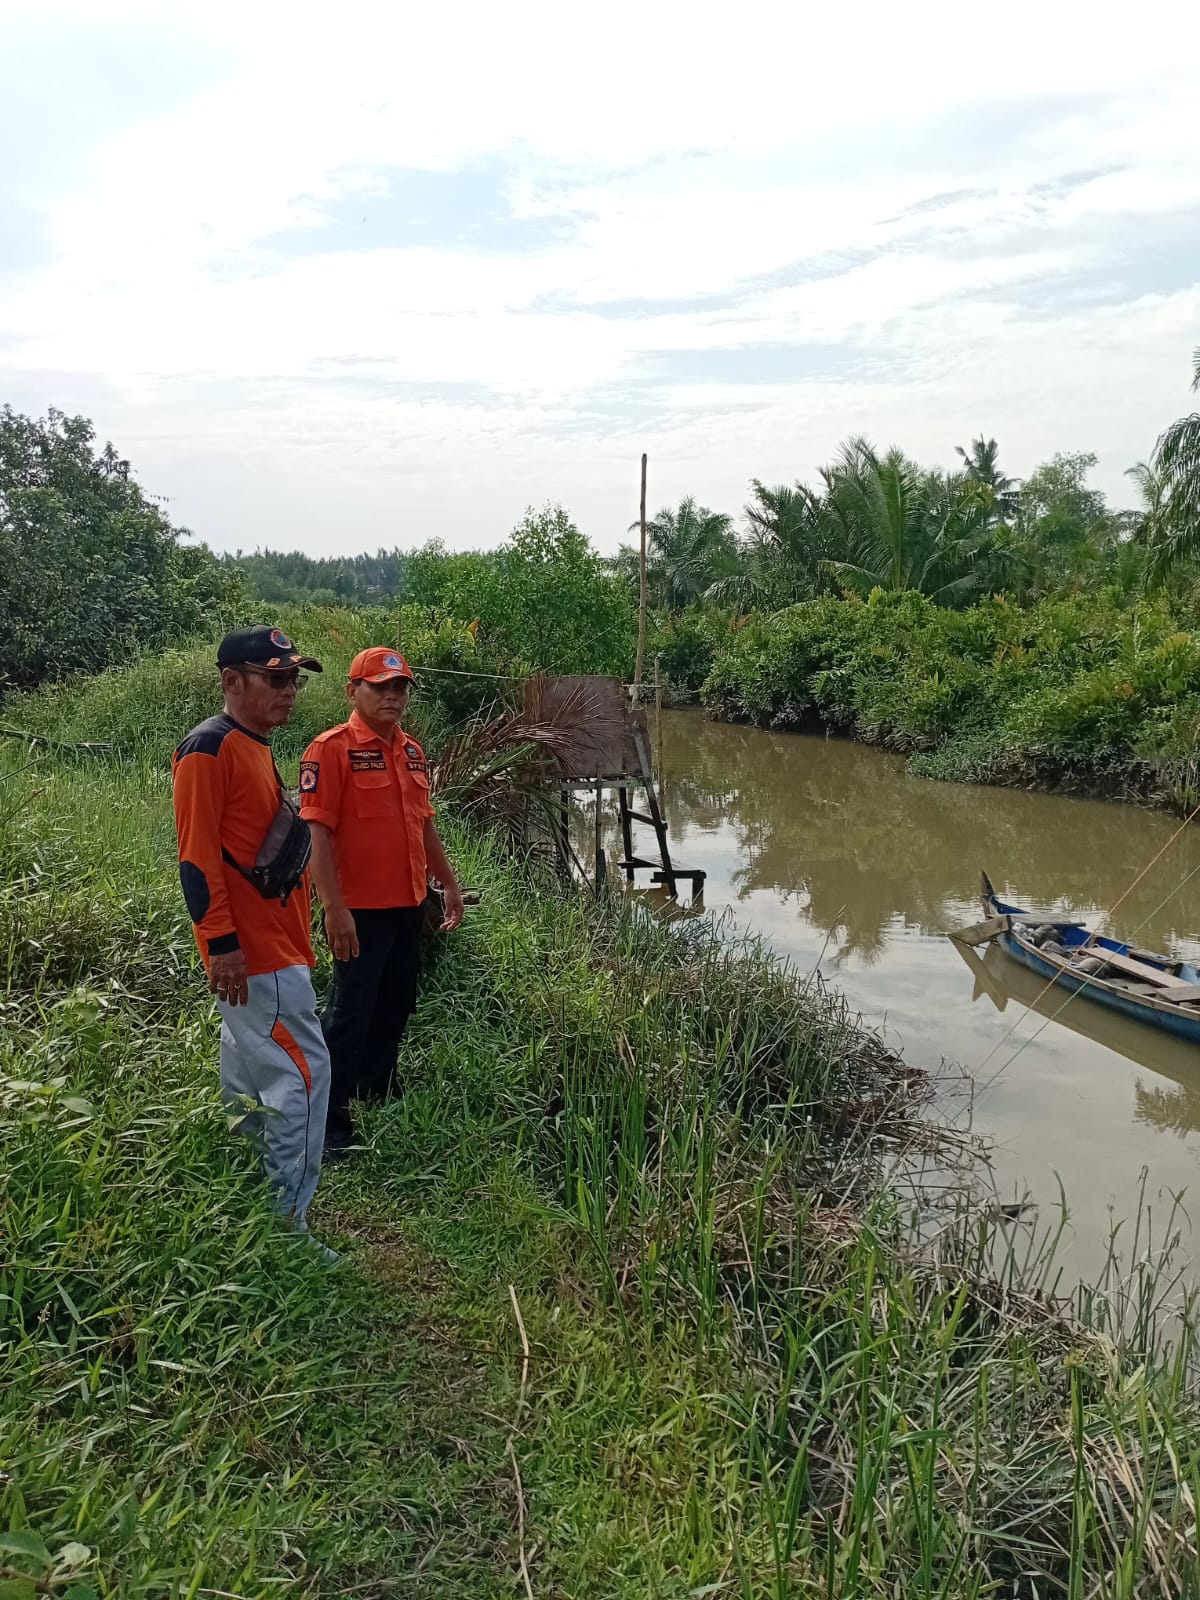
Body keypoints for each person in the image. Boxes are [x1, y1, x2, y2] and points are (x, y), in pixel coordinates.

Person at [172, 624, 334, 1248]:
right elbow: (196, 859)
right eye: (276, 678)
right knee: (303, 1076)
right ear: (232, 681)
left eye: (294, 678)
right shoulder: (208, 749)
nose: (289, 691)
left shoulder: (253, 742)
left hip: (272, 945)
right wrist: (221, 945)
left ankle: (248, 1196)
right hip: (255, 955)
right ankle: (287, 1226)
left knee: (249, 1074)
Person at [299, 646, 464, 1156]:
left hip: (408, 903)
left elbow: (424, 823)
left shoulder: (411, 750)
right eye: (380, 687)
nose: (392, 697)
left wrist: (448, 883)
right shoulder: (330, 750)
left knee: (397, 1001)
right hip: (358, 910)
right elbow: (317, 836)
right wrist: (333, 908)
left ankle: (377, 1083)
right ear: (353, 692)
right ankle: (329, 1120)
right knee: (350, 1010)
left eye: (400, 688)